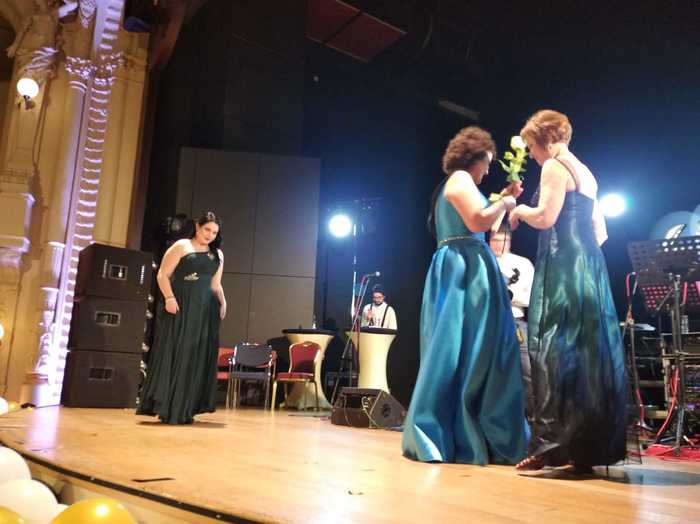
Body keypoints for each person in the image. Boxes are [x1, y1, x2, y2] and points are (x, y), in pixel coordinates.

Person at [401, 126, 528, 465]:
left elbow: (483, 220)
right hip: (463, 268)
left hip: (468, 265)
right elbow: (477, 221)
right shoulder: (459, 179)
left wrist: (502, 200)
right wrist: (505, 202)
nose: (487, 170)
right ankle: (447, 433)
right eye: (487, 162)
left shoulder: (463, 184)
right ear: (476, 157)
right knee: (461, 348)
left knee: (473, 348)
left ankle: (471, 432)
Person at [508, 110, 627, 471]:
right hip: (589, 263)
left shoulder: (554, 166)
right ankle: (587, 448)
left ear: (543, 139)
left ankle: (552, 446)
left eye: (531, 146)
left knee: (553, 348)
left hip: (563, 262)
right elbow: (600, 232)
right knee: (587, 354)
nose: (531, 154)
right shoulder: (586, 171)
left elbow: (545, 217)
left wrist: (520, 210)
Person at [137, 211, 227, 424]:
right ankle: (171, 408)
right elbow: (162, 274)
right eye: (207, 229)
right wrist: (169, 298)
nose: (210, 235)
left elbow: (215, 284)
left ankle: (187, 407)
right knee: (179, 353)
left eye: (214, 232)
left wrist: (223, 301)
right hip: (181, 305)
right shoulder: (182, 246)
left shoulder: (218, 254)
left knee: (196, 357)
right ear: (197, 227)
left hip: (205, 309)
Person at [489, 226, 535, 421]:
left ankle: (530, 418)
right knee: (491, 372)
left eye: (504, 240)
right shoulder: (483, 261)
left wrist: (509, 295)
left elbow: (530, 296)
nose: (500, 245)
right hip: (487, 322)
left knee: (526, 370)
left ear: (510, 240)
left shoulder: (522, 263)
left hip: (516, 321)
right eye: (495, 240)